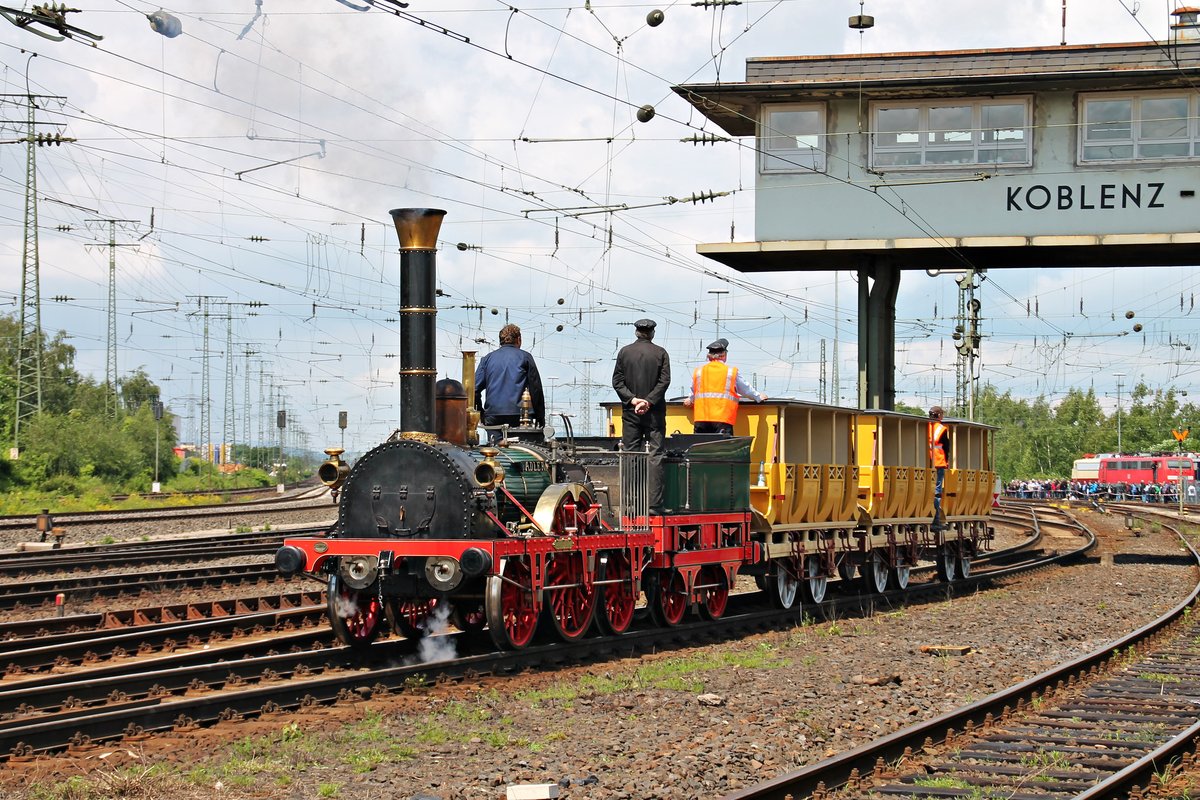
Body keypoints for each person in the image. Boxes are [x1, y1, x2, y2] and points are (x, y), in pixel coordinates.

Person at [612, 318, 671, 515]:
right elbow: (664, 382)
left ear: (636, 332)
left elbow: (617, 382)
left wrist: (633, 400)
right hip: (654, 413)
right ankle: (654, 505)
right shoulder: (661, 353)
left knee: (630, 454)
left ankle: (631, 505)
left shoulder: (624, 352)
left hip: (630, 413)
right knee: (655, 455)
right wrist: (649, 401)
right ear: (652, 333)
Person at [474, 324, 545, 442]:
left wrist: (480, 412)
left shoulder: (487, 359)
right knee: (522, 452)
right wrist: (540, 416)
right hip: (521, 416)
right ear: (519, 339)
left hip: (493, 416)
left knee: (495, 452)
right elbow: (536, 389)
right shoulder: (525, 357)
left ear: (500, 341)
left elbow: (474, 389)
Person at [684, 338, 767, 435]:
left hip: (701, 419)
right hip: (722, 420)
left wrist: (690, 399)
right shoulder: (731, 371)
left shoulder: (699, 371)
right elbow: (746, 390)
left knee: (700, 449)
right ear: (723, 355)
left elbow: (695, 391)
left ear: (709, 356)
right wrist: (758, 397)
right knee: (722, 449)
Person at [928, 405, 951, 529]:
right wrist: (947, 462)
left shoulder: (924, 426)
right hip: (939, 463)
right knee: (937, 493)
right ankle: (936, 520)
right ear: (938, 415)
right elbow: (946, 447)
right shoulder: (941, 429)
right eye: (941, 414)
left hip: (926, 463)